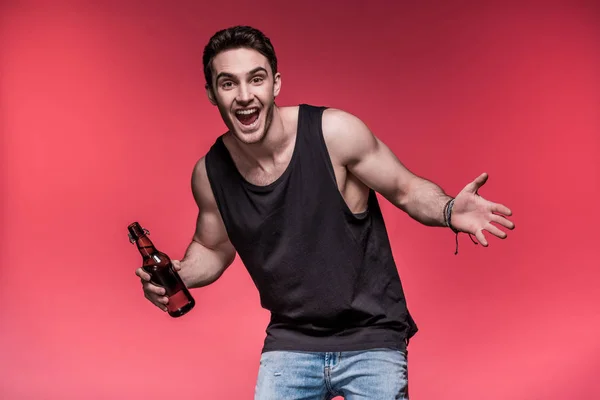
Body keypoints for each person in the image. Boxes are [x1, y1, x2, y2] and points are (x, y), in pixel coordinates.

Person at [135, 25, 515, 399]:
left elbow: (406, 188)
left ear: (276, 84)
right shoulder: (210, 173)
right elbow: (213, 248)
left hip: (372, 337)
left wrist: (448, 208)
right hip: (290, 341)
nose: (245, 96)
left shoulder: (335, 133)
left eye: (256, 79)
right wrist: (180, 273)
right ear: (211, 94)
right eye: (228, 83)